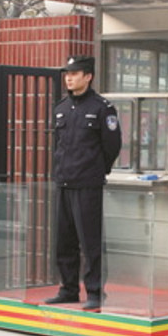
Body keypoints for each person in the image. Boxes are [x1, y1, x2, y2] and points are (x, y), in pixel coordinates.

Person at [45, 55, 121, 311]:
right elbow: (58, 146)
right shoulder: (61, 108)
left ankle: (95, 292)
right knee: (64, 241)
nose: (69, 78)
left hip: (88, 185)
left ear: (88, 77)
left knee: (91, 242)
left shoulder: (102, 108)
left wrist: (97, 170)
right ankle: (68, 289)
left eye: (74, 74)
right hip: (64, 183)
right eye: (67, 74)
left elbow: (112, 145)